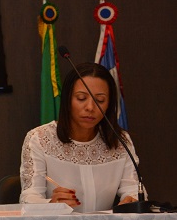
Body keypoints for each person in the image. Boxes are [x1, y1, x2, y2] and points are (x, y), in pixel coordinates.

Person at [19, 62, 140, 211]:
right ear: (67, 99)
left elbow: (134, 190)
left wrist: (132, 200)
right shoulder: (39, 139)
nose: (90, 107)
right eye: (81, 98)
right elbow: (29, 199)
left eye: (100, 100)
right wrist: (51, 205)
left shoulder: (120, 140)